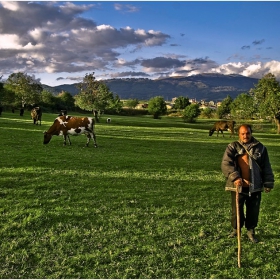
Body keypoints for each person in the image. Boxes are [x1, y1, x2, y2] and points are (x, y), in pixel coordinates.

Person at [221, 124, 274, 243]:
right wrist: (235, 177)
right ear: (239, 134)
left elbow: (266, 167)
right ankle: (236, 230)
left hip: (254, 186)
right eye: (243, 133)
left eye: (248, 133)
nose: (245, 136)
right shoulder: (232, 147)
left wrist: (268, 183)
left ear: (251, 133)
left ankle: (251, 231)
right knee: (237, 210)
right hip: (238, 187)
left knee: (253, 210)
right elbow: (226, 164)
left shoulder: (260, 148)